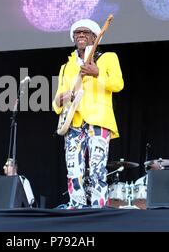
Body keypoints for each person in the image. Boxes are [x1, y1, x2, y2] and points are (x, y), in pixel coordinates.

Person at [53, 18, 124, 208]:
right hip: (73, 123)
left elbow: (118, 84)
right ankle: (75, 208)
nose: (81, 35)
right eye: (77, 32)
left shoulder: (108, 58)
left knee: (97, 169)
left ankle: (97, 209)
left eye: (85, 32)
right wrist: (60, 100)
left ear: (95, 37)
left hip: (98, 120)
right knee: (73, 171)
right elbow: (56, 101)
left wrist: (97, 73)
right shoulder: (66, 67)